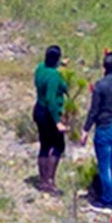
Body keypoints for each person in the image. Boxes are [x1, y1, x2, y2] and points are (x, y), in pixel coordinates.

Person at [78, 50, 112, 213]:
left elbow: (94, 110)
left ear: (104, 67)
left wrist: (86, 129)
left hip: (105, 126)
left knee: (104, 165)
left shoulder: (100, 86)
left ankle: (107, 199)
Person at [32, 45, 69, 194]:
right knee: (58, 146)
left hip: (38, 109)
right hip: (48, 113)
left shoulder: (40, 68)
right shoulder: (54, 76)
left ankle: (42, 180)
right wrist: (57, 121)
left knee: (44, 145)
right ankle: (50, 181)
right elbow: (51, 100)